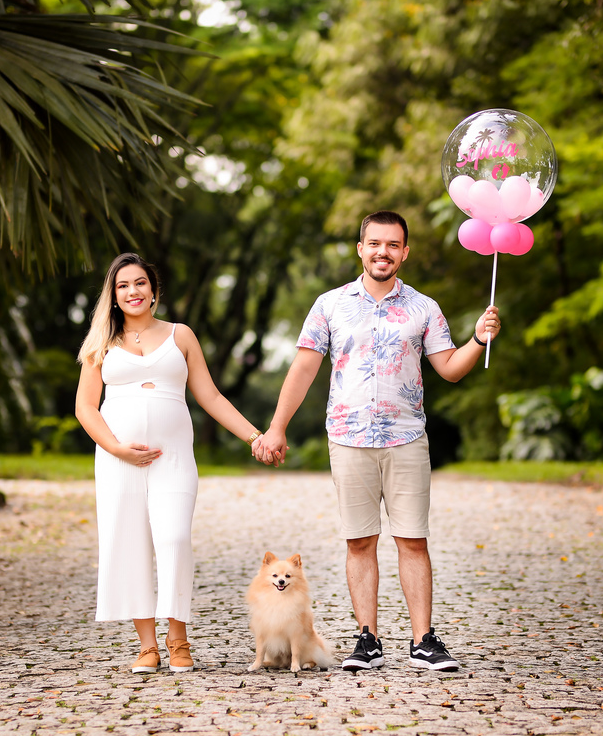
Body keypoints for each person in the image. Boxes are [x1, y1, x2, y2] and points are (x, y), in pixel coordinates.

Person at [253, 211, 500, 672]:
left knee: (413, 540)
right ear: (360, 248)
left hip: (406, 437)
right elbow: (304, 368)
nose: (383, 252)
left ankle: (424, 640)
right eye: (374, 243)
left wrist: (478, 339)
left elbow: (448, 367)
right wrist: (277, 426)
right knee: (359, 542)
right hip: (348, 438)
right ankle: (367, 640)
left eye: (393, 245)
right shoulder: (330, 305)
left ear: (405, 252)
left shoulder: (424, 307)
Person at [76, 253, 264, 674]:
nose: (132, 291)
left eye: (139, 283)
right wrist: (116, 448)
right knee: (129, 544)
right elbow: (86, 408)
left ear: (153, 290)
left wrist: (254, 436)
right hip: (118, 461)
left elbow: (211, 396)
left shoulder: (181, 336)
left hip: (173, 458)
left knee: (175, 538)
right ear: (114, 295)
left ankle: (177, 637)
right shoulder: (100, 343)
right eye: (123, 286)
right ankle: (147, 645)